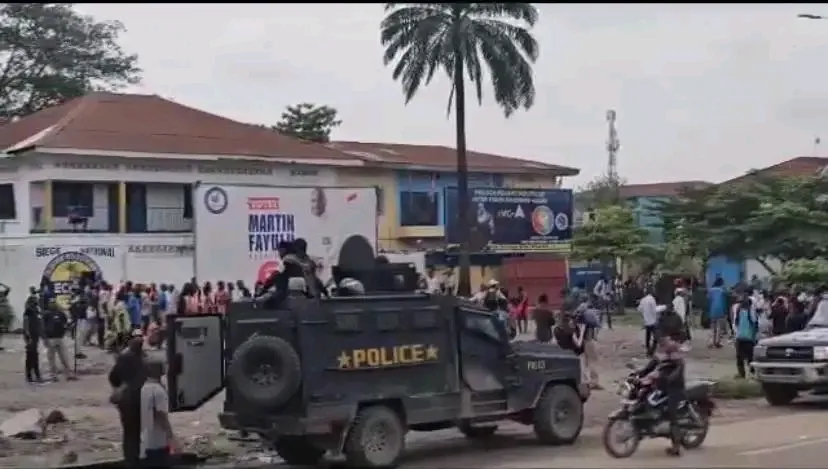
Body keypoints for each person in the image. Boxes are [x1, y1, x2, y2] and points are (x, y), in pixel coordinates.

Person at [634, 335, 686, 457]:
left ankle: (676, 446)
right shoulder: (660, 350)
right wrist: (639, 373)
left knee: (672, 413)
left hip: (674, 386)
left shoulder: (673, 349)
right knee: (645, 397)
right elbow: (651, 365)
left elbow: (679, 367)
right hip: (661, 383)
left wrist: (671, 378)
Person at [109, 335, 146, 466]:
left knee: (128, 432)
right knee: (138, 431)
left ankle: (130, 460)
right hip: (139, 399)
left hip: (125, 401)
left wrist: (118, 388)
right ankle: (136, 457)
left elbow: (112, 378)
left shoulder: (123, 358)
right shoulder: (144, 360)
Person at [141, 359, 177, 467]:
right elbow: (160, 415)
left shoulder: (144, 388)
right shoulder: (158, 391)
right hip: (159, 442)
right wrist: (171, 436)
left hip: (146, 441)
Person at [734, 298, 758, 379]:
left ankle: (741, 374)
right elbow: (755, 324)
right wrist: (754, 336)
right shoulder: (751, 312)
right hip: (749, 338)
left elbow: (736, 324)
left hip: (739, 337)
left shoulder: (738, 310)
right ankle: (752, 374)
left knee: (739, 357)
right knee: (750, 357)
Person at [22, 287, 43, 384]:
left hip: (35, 335)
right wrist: (28, 337)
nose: (36, 302)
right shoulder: (28, 312)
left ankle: (35, 374)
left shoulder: (36, 311)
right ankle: (30, 375)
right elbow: (26, 325)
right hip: (30, 336)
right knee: (31, 355)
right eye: (35, 301)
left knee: (34, 355)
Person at [707, 277, 728, 348]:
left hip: (712, 310)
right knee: (719, 328)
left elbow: (709, 301)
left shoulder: (710, 291)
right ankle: (717, 342)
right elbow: (724, 302)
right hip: (720, 310)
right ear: (721, 283)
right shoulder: (722, 291)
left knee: (712, 327)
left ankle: (711, 342)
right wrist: (725, 311)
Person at [638, 287, 658, 356]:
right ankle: (651, 351)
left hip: (646, 321)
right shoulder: (652, 299)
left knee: (648, 336)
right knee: (656, 337)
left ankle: (648, 349)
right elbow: (655, 310)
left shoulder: (643, 300)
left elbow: (639, 310)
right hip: (653, 321)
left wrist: (643, 316)